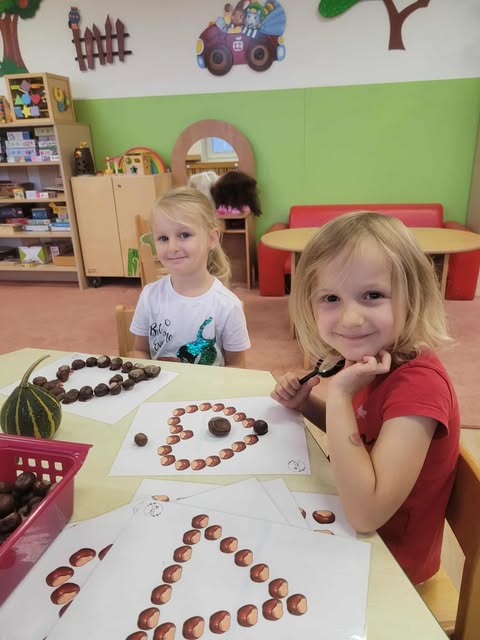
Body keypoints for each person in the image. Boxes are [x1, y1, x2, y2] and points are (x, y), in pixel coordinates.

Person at [271, 211, 460, 585]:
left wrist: (339, 394)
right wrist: (307, 404)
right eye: (331, 298)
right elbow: (365, 433)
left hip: (390, 567)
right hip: (348, 523)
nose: (351, 318)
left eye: (373, 295)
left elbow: (366, 514)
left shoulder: (419, 387)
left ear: (414, 297)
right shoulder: (371, 357)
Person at [130, 187, 250, 367]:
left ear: (212, 239)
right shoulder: (149, 295)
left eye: (184, 235)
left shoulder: (228, 305)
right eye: (163, 238)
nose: (172, 248)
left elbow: (238, 367)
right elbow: (140, 350)